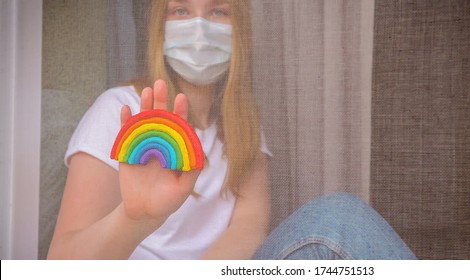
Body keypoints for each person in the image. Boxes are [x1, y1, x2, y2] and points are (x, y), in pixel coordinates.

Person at [48, 0, 416, 260]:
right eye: (180, 10)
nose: (199, 27)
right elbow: (61, 264)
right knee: (340, 219)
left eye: (218, 11)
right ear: (159, 30)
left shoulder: (242, 128)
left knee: (340, 219)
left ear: (238, 31)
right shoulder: (121, 112)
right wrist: (135, 219)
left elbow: (249, 229)